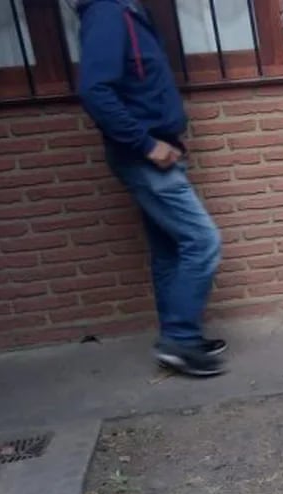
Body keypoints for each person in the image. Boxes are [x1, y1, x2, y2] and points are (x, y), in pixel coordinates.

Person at [76, 0, 225, 377]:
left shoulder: (130, 13)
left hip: (157, 152)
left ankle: (179, 338)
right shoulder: (107, 13)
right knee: (203, 241)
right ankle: (179, 338)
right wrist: (146, 144)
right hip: (145, 158)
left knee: (170, 249)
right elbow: (95, 90)